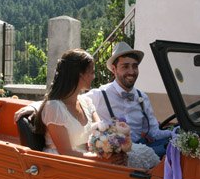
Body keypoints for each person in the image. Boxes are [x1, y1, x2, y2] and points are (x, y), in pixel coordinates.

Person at [15, 42, 172, 158]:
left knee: (151, 156)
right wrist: (35, 107)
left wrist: (114, 145)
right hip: (69, 165)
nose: (94, 76)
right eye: (91, 72)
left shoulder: (87, 102)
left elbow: (102, 130)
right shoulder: (57, 107)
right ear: (79, 75)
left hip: (95, 156)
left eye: (134, 66)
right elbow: (67, 152)